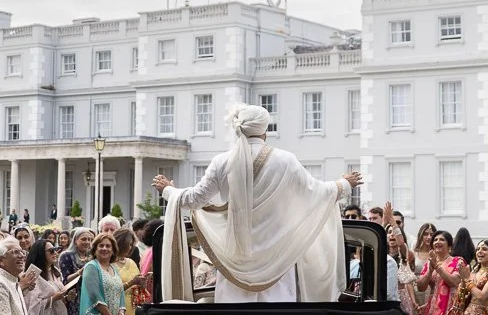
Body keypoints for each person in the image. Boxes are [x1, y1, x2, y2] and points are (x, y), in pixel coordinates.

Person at [153, 103, 360, 303]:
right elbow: (316, 192)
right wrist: (344, 184)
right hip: (277, 260)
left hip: (235, 261)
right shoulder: (285, 160)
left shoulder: (222, 162)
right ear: (265, 131)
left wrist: (168, 190)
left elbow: (194, 199)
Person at [114, 226, 150, 315]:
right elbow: (109, 290)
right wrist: (132, 283)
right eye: (129, 245)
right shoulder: (109, 265)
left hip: (133, 309)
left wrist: (142, 282)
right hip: (116, 309)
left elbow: (138, 287)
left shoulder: (131, 263)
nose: (131, 248)